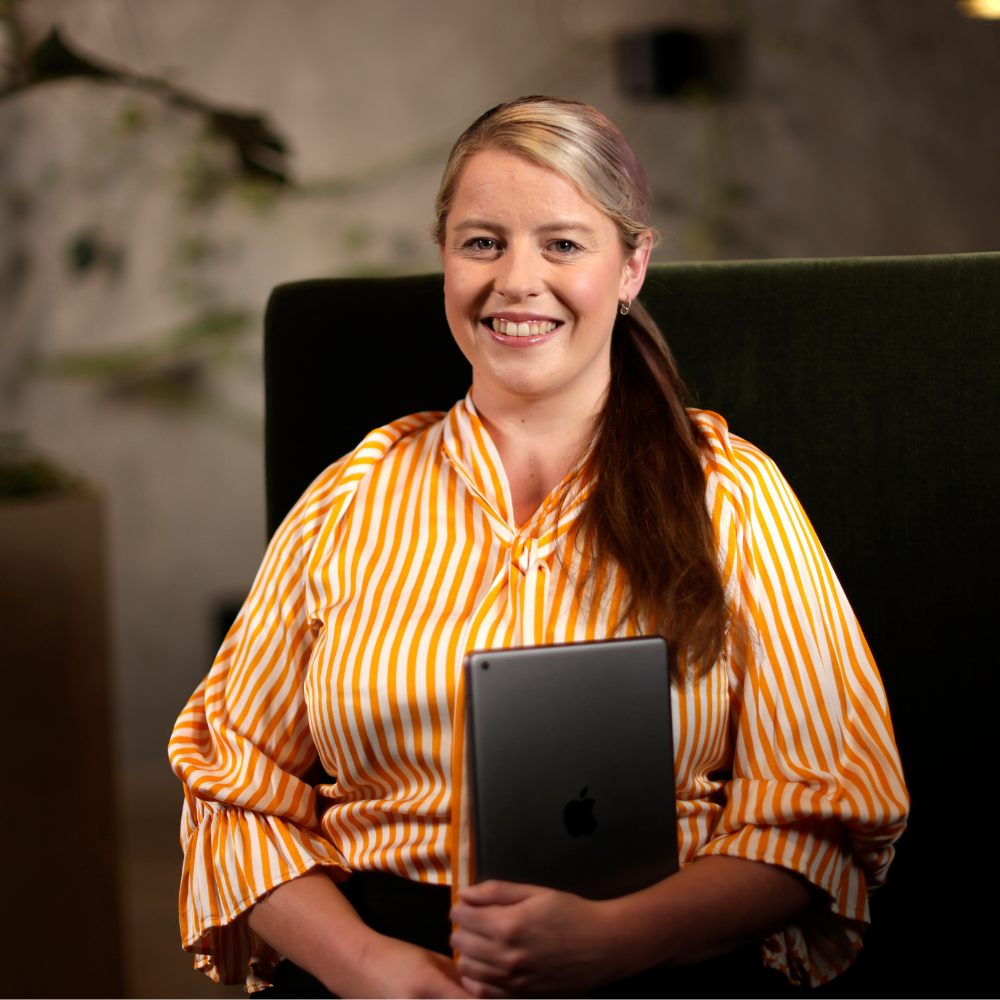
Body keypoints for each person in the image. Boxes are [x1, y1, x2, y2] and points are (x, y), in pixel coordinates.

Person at [169, 96, 908, 998]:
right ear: (445, 258)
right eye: (483, 243)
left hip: (660, 958)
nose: (517, 280)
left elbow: (822, 806)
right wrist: (372, 969)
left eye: (562, 244)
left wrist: (616, 941)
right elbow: (230, 791)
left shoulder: (731, 493)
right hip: (380, 958)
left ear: (631, 266)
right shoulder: (349, 497)